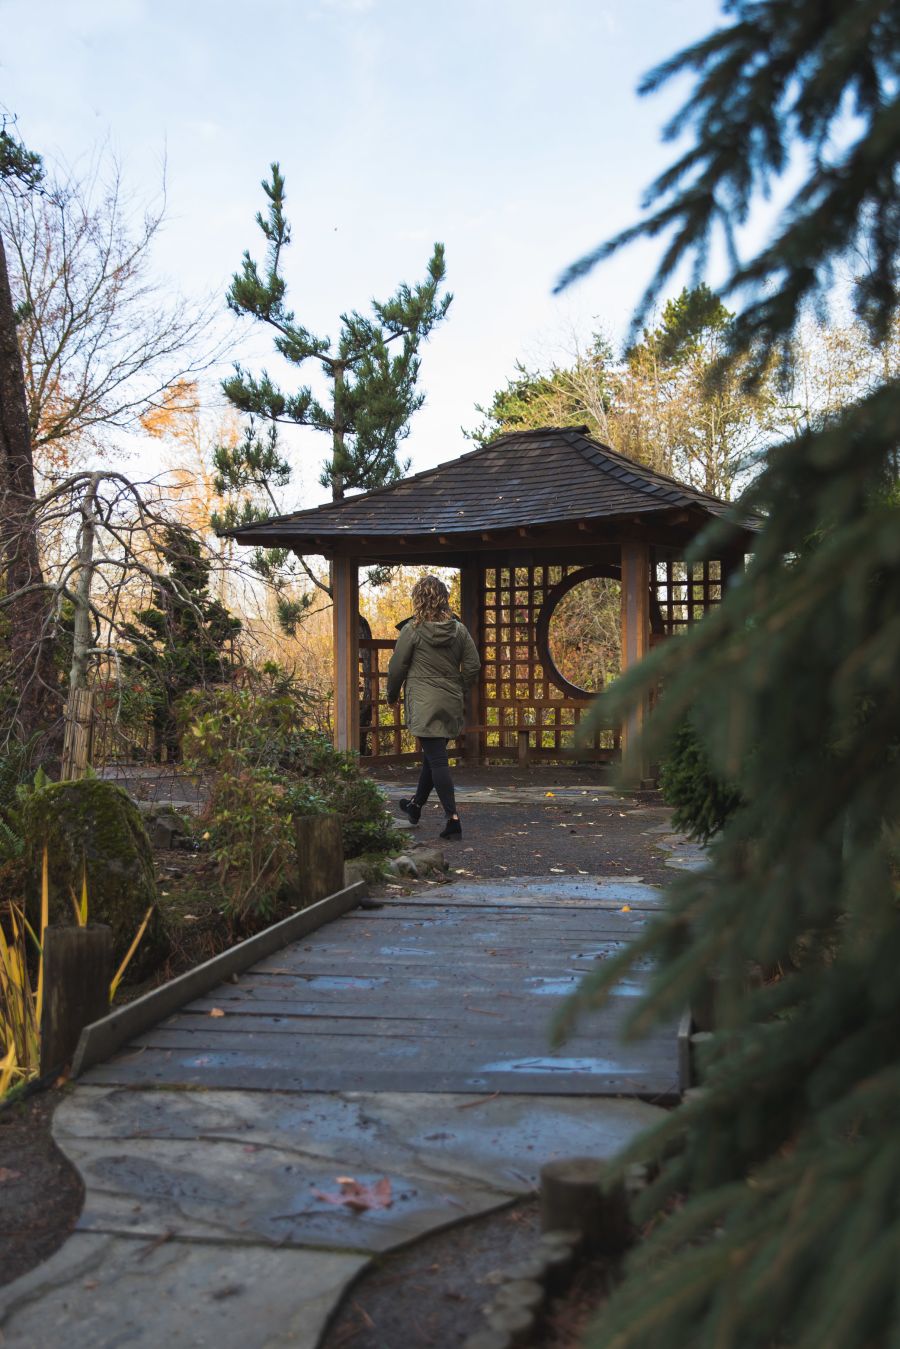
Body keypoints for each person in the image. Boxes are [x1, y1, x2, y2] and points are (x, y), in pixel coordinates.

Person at [386, 575, 480, 839]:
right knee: (433, 756)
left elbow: (397, 668)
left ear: (419, 599)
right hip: (449, 701)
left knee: (437, 759)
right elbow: (473, 666)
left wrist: (391, 695)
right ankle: (415, 807)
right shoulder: (459, 630)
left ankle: (453, 819)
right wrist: (458, 687)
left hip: (423, 703)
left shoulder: (412, 631)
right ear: (443, 598)